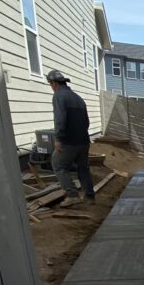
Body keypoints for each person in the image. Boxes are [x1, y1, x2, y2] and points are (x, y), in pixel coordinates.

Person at [46, 69, 94, 206]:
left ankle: (72, 195)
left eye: (50, 84)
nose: (51, 87)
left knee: (58, 163)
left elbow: (60, 119)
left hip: (69, 141)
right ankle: (89, 197)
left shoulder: (59, 96)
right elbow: (86, 122)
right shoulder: (78, 98)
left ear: (54, 83)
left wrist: (59, 138)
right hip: (84, 140)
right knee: (83, 168)